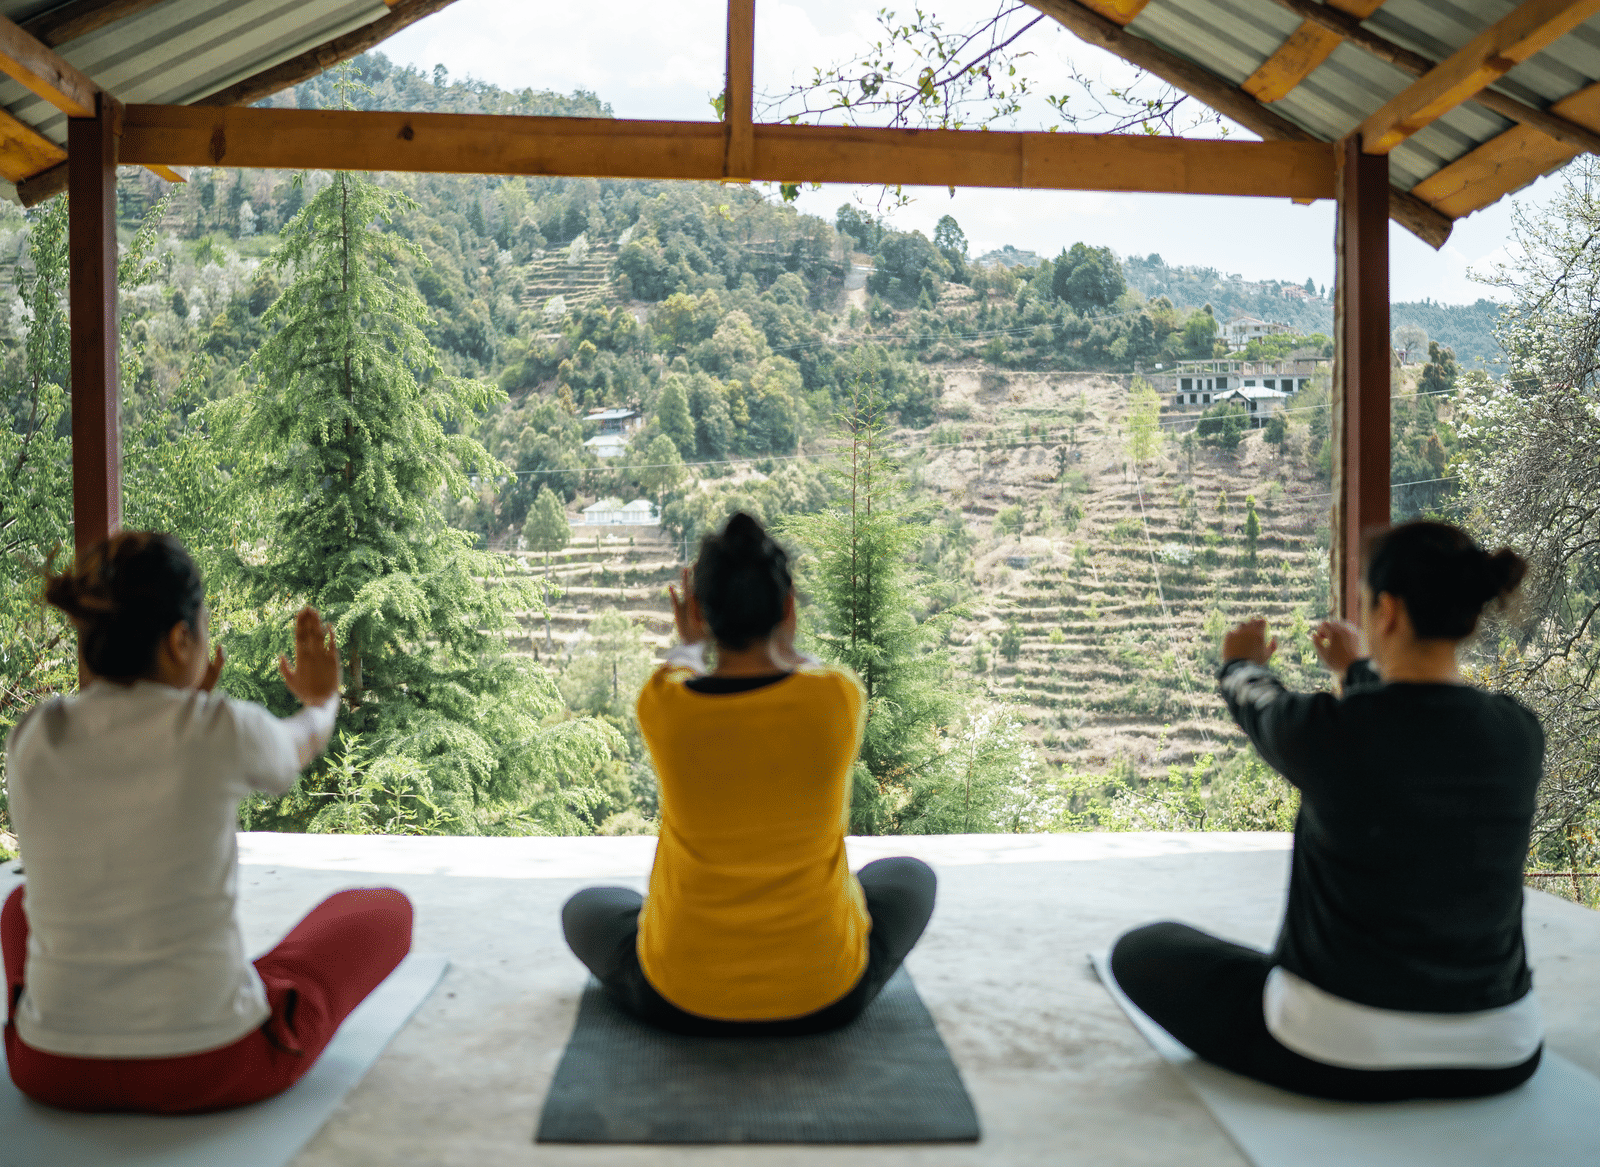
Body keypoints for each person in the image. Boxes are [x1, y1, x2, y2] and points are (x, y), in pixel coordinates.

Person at [1111, 520, 1544, 1101]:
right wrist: (1356, 671)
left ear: (1387, 612)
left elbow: (1260, 701)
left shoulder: (1330, 733)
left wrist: (1239, 662)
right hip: (1502, 1050)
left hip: (1339, 1049)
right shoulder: (1518, 732)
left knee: (1144, 950)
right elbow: (1414, 733)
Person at [2, 531, 413, 1114]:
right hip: (211, 1066)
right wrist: (323, 696)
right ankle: (211, 998)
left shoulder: (35, 736)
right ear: (178, 639)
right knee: (384, 911)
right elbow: (304, 738)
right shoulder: (219, 729)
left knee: (19, 907)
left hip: (50, 1068)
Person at [561, 512, 936, 1035]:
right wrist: (782, 632)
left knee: (586, 909)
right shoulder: (837, 698)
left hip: (682, 994)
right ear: (787, 608)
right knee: (910, 877)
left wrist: (693, 639)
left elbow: (682, 662)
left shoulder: (664, 706)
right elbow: (803, 663)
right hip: (824, 992)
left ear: (700, 613)